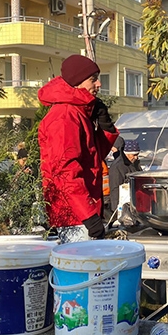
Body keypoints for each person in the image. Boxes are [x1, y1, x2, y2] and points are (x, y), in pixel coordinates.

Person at [38, 54, 118, 243]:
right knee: (83, 270)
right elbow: (65, 172)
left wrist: (106, 127)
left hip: (81, 212)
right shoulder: (65, 117)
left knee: (88, 270)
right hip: (74, 218)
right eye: (93, 79)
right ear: (77, 82)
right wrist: (89, 216)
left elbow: (93, 157)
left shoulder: (77, 112)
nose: (98, 84)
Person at [108, 140, 143, 211]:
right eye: (134, 155)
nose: (136, 157)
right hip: (123, 205)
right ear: (127, 154)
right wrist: (117, 209)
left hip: (135, 203)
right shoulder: (118, 166)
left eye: (137, 154)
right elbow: (115, 188)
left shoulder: (135, 163)